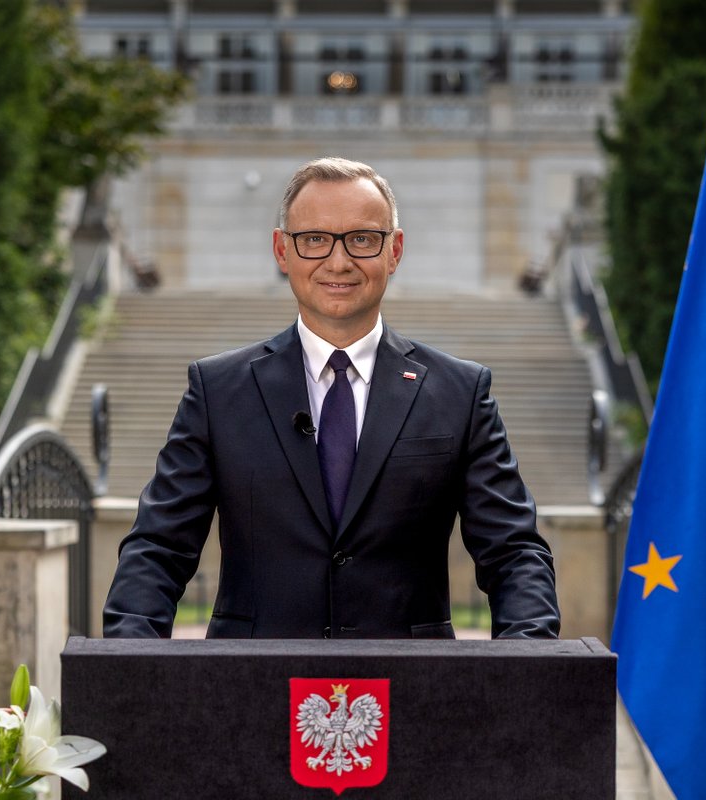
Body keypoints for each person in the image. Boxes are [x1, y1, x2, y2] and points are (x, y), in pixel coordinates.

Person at [103, 157, 560, 639]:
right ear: (282, 251)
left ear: (395, 250)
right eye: (314, 239)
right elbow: (158, 549)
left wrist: (527, 663)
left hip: (415, 693)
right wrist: (128, 667)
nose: (338, 262)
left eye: (362, 239)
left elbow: (513, 552)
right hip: (247, 693)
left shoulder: (460, 393)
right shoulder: (217, 391)